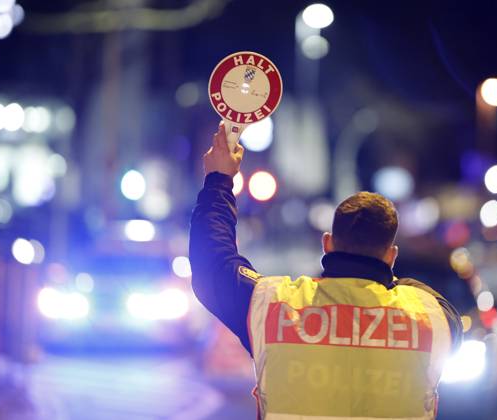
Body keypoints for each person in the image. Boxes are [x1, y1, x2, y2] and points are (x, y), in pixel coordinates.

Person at [190, 123, 462, 419]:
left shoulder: (275, 306)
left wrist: (219, 179)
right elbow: (431, 300)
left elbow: (212, 263)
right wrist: (384, 277)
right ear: (391, 255)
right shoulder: (432, 317)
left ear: (327, 244)